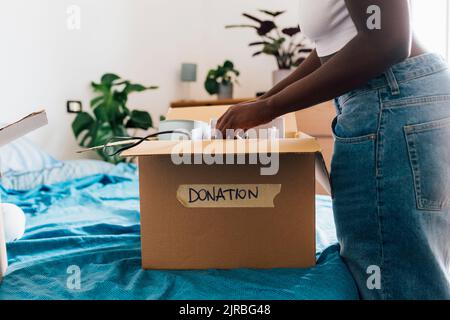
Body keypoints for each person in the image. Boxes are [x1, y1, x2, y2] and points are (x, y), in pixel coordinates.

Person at [217, 0, 450, 299]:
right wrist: (264, 102)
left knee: (391, 278)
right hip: (395, 100)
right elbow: (331, 48)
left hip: (391, 102)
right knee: (403, 270)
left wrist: (271, 106)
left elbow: (387, 41)